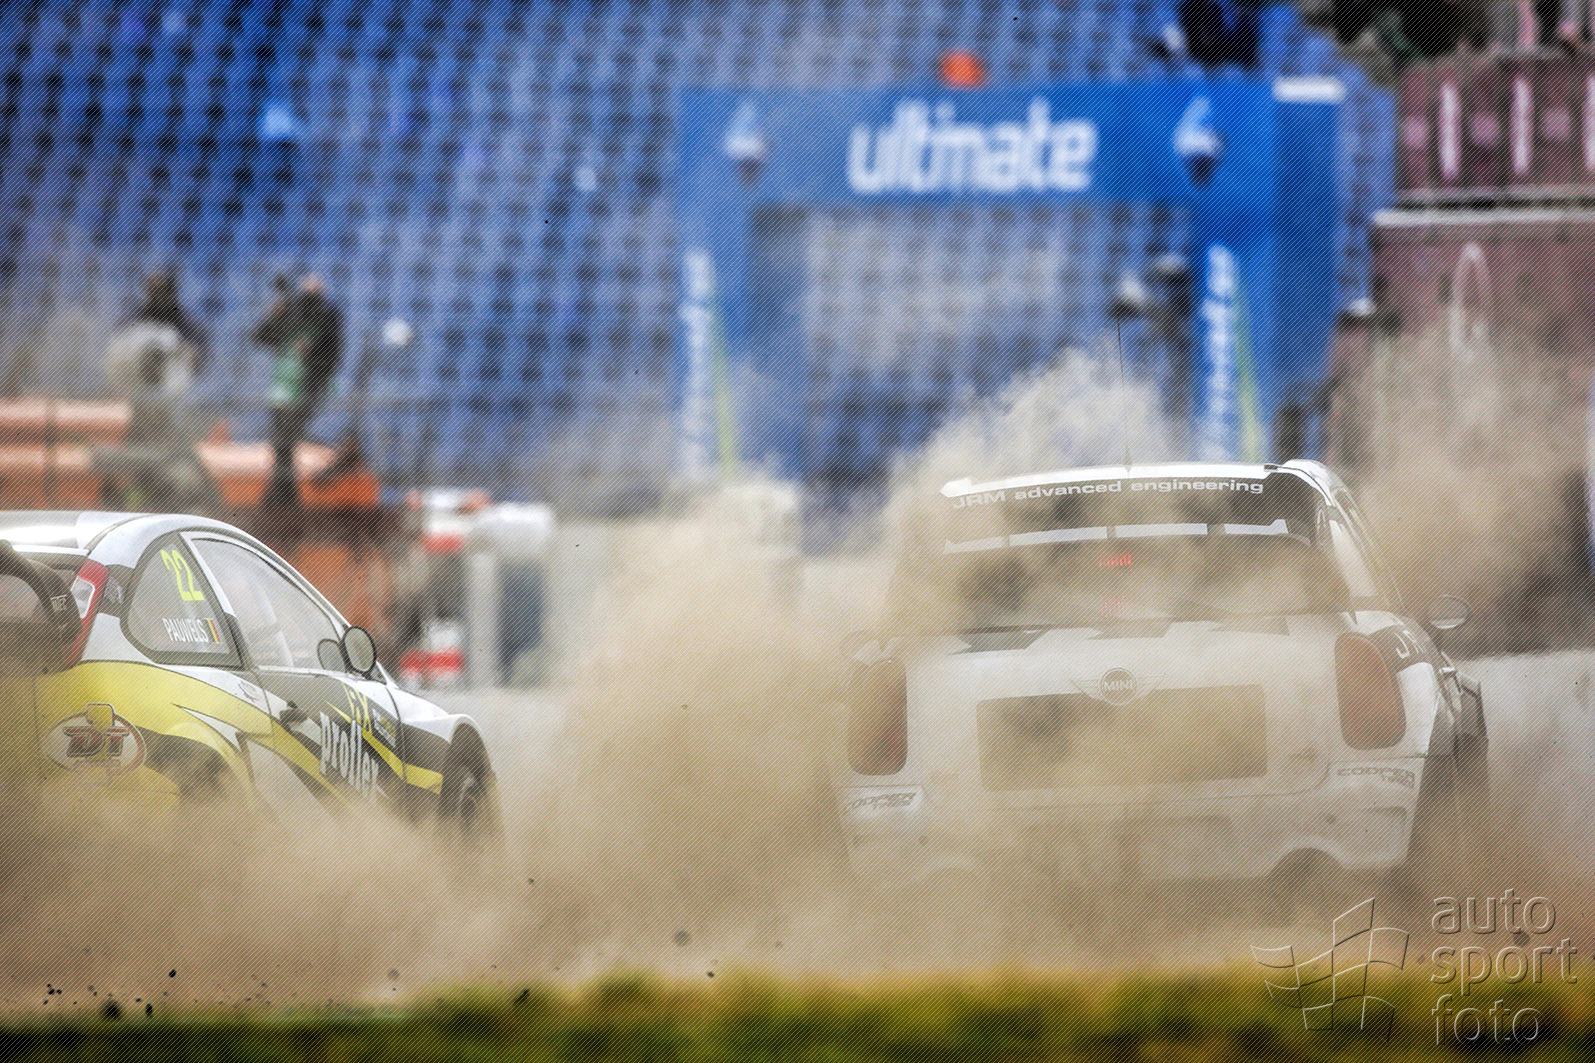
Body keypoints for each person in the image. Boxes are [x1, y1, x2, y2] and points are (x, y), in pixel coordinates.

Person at [252, 272, 342, 508]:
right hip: (281, 388)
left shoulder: (326, 321)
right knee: (281, 443)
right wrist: (274, 315)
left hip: (306, 389)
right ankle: (283, 494)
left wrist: (312, 353)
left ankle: (284, 495)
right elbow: (261, 337)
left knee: (287, 441)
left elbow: (332, 355)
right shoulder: (290, 317)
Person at [103, 271, 206, 443]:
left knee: (165, 431)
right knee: (139, 431)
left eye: (161, 290)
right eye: (153, 290)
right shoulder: (136, 319)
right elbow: (118, 349)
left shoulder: (183, 322)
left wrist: (187, 359)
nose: (157, 295)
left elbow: (197, 352)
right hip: (140, 390)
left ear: (170, 292)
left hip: (169, 394)